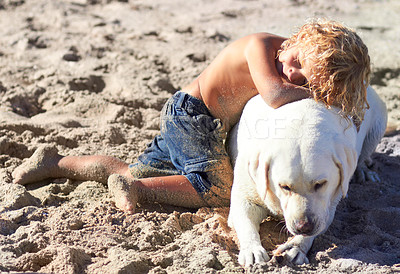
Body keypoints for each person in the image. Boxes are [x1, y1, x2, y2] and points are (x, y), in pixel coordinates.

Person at [12, 18, 371, 213]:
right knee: (220, 189)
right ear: (298, 38)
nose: (290, 73)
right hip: (195, 118)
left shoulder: (287, 57)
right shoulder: (260, 45)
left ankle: (57, 162)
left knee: (134, 169)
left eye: (305, 78)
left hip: (195, 118)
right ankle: (138, 190)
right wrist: (320, 96)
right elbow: (275, 96)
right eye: (296, 63)